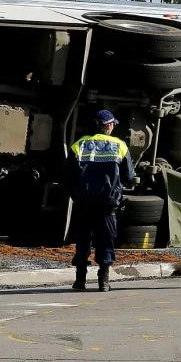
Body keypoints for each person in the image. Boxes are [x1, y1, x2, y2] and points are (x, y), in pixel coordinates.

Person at [68, 109, 135, 291]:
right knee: (106, 241)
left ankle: (80, 280)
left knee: (83, 240)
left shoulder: (79, 145)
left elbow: (68, 175)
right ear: (109, 126)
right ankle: (103, 281)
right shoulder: (119, 145)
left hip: (84, 202)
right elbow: (129, 177)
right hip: (108, 203)